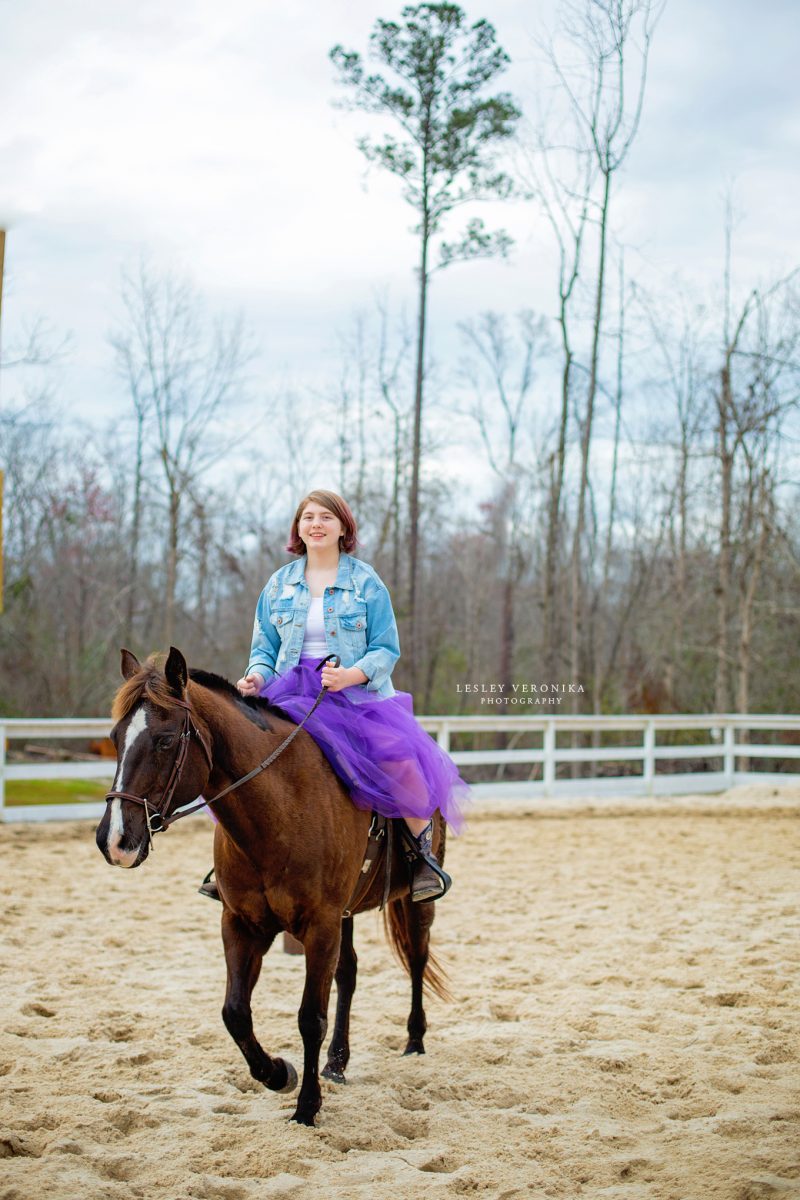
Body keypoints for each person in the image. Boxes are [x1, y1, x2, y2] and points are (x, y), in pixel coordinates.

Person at [199, 489, 469, 903]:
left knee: (400, 761)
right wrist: (256, 677)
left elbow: (385, 647)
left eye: (326, 517)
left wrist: (351, 675)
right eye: (308, 517)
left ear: (343, 527)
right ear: (298, 529)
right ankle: (232, 867)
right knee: (238, 762)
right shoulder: (278, 585)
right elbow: (263, 650)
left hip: (354, 696)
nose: (316, 524)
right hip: (286, 696)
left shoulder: (365, 582)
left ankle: (420, 859)